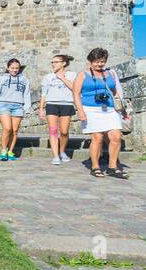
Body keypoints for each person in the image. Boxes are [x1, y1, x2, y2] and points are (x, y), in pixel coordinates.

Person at [73, 47, 127, 178]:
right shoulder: (82, 75)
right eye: (96, 61)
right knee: (98, 137)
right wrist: (80, 111)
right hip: (90, 109)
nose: (99, 64)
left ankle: (112, 166)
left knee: (116, 136)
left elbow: (114, 91)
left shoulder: (110, 74)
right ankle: (95, 166)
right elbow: (76, 93)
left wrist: (119, 105)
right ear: (90, 61)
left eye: (102, 61)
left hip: (109, 109)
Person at [38, 54, 76, 164]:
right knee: (53, 130)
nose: (53, 64)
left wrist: (62, 78)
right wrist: (41, 108)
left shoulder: (72, 75)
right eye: (52, 62)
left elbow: (74, 88)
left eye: (56, 62)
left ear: (64, 63)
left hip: (66, 104)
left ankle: (62, 151)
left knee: (64, 132)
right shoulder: (48, 77)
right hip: (51, 104)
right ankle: (55, 156)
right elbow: (44, 94)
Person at [0, 58, 30, 161]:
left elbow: (26, 94)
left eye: (17, 68)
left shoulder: (24, 80)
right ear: (8, 68)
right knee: (7, 128)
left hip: (18, 106)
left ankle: (10, 151)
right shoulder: (2, 79)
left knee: (15, 130)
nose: (14, 70)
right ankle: (3, 150)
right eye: (12, 68)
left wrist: (27, 107)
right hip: (3, 105)